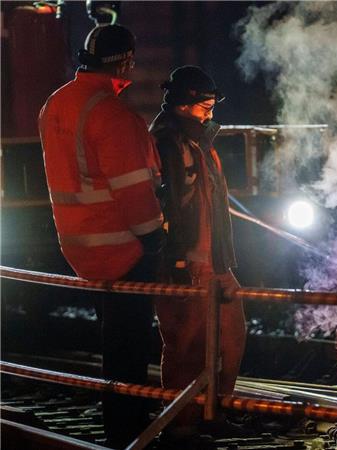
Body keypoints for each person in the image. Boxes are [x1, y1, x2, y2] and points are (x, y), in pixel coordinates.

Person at [38, 24, 164, 447]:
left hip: (80, 247)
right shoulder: (112, 113)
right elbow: (133, 192)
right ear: (125, 61)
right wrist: (156, 239)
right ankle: (129, 431)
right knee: (130, 352)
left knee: (114, 345)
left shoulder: (55, 104)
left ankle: (120, 423)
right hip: (123, 247)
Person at [149, 66, 246, 438]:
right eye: (206, 104)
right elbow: (166, 205)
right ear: (185, 104)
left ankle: (215, 411)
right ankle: (181, 424)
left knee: (231, 336)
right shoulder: (167, 143)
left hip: (214, 262)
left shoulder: (196, 143)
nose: (211, 111)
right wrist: (175, 261)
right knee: (184, 345)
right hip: (185, 264)